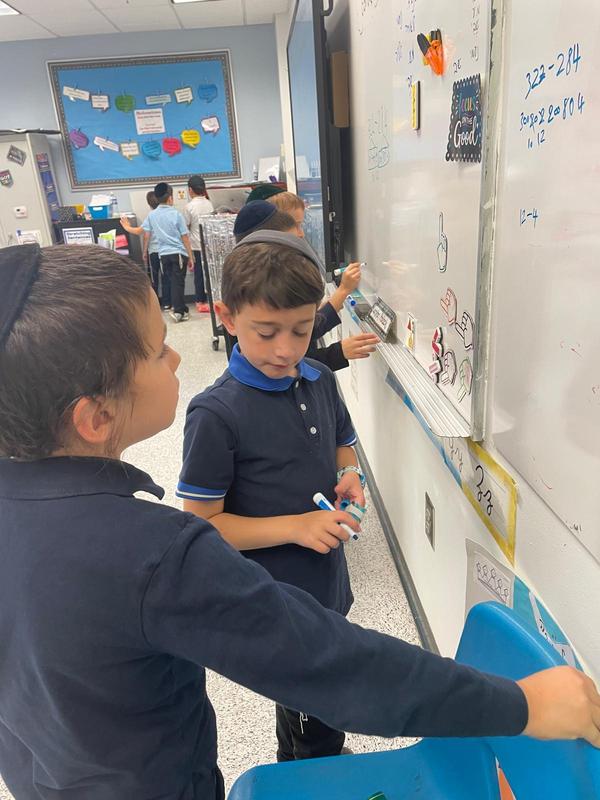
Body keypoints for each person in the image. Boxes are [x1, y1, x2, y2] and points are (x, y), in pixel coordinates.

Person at [1, 244, 599, 800]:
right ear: (96, 417)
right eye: (159, 350)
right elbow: (331, 664)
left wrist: (348, 475)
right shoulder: (153, 553)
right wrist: (522, 704)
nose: (178, 355)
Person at [176, 230, 600, 765]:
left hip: (326, 580)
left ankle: (317, 752)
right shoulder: (216, 414)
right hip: (274, 598)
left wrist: (349, 475)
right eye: (267, 333)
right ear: (228, 318)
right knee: (310, 708)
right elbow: (203, 525)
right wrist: (296, 526)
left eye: (302, 330)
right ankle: (314, 767)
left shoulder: (317, 377)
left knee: (322, 690)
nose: (286, 349)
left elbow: (343, 443)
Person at [233, 202, 380, 371]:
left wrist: (342, 292)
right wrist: (338, 352)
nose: (301, 234)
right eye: (297, 226)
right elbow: (291, 366)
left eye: (300, 330)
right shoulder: (260, 289)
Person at [121, 182, 193, 323]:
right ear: (170, 198)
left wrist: (127, 227)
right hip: (178, 254)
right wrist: (191, 256)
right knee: (178, 283)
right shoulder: (176, 214)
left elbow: (139, 231)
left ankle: (183, 309)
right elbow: (185, 237)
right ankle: (179, 312)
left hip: (163, 256)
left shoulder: (152, 215)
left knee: (173, 281)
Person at [184, 174, 214, 314]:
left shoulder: (189, 207)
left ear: (190, 190)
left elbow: (186, 226)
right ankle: (212, 299)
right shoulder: (209, 203)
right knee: (210, 273)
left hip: (196, 245)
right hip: (209, 244)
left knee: (199, 274)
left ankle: (200, 301)